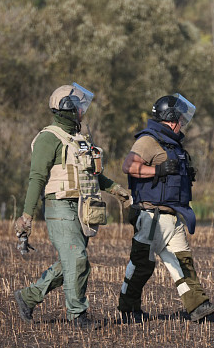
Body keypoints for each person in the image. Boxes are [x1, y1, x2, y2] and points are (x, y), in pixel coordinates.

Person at [13, 83, 132, 329]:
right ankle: (78, 316)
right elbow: (36, 178)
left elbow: (93, 175)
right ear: (67, 108)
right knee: (77, 259)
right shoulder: (48, 138)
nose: (82, 110)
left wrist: (115, 190)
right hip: (59, 207)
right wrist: (27, 215)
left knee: (72, 262)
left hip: (83, 208)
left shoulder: (80, 140)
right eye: (78, 105)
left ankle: (28, 297)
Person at [118, 93, 214, 324]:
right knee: (141, 267)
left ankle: (197, 306)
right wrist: (158, 171)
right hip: (151, 217)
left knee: (183, 261)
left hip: (172, 215)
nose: (183, 124)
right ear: (171, 118)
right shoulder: (148, 140)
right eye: (181, 119)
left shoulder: (171, 144)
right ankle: (128, 309)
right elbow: (129, 166)